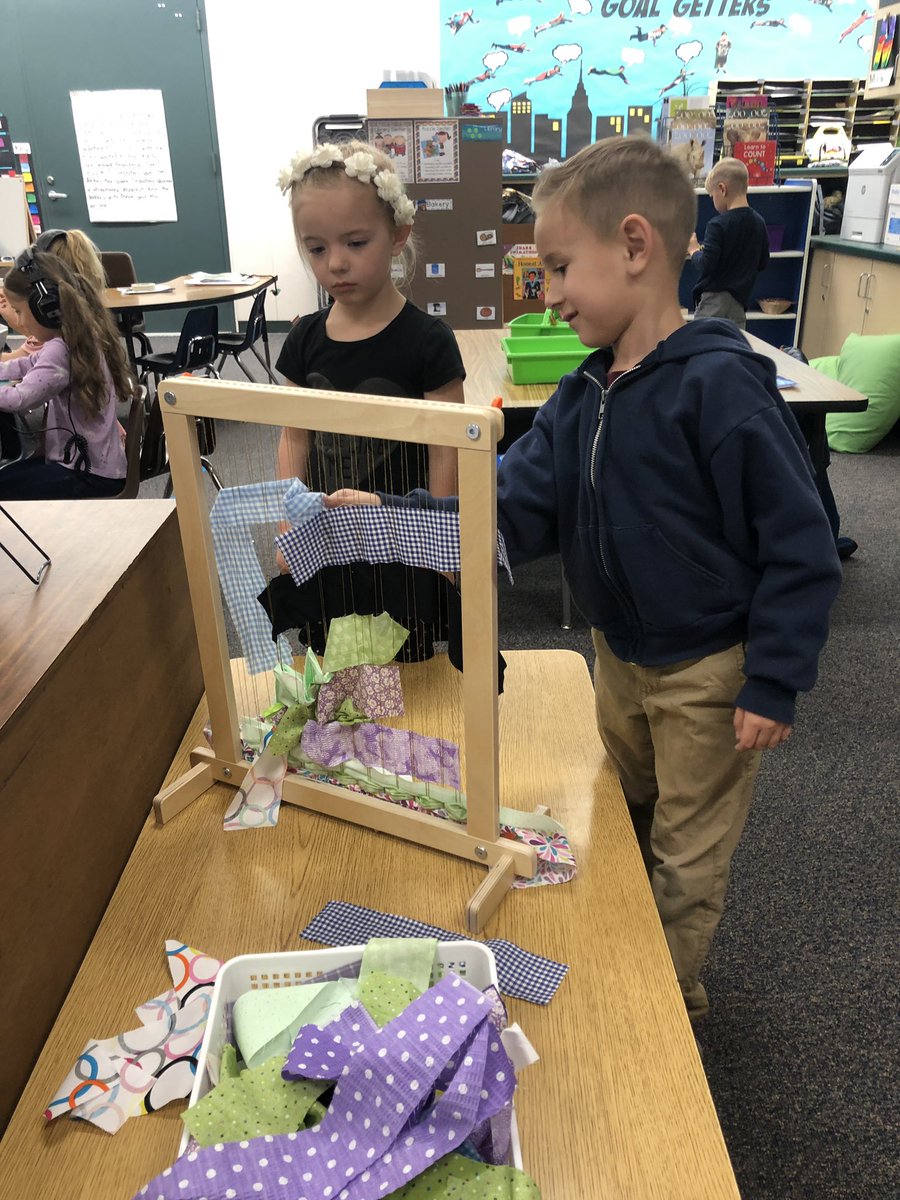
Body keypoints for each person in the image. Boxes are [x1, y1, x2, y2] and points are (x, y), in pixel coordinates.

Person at [328, 137, 842, 1020]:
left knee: (690, 845)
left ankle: (666, 1000)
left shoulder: (722, 389)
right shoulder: (579, 397)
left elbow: (803, 546)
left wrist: (775, 680)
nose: (550, 294)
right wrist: (399, 521)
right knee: (633, 806)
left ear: (636, 247)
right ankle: (638, 931)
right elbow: (510, 511)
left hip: (710, 672)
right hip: (619, 657)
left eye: (560, 268)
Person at [275, 139, 465, 497]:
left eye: (356, 243)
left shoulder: (429, 341)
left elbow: (446, 451)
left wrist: (434, 539)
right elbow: (294, 438)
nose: (335, 264)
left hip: (403, 539)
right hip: (327, 535)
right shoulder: (303, 340)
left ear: (397, 235)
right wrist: (290, 527)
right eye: (316, 248)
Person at [0, 249, 132, 498]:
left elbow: (20, 399)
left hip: (87, 474)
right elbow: (27, 364)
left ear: (44, 308)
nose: (18, 321)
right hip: (98, 467)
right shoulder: (78, 337)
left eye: (18, 312)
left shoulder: (61, 349)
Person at [0, 228, 106, 361]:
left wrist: (15, 321)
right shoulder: (91, 324)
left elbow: (15, 360)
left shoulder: (58, 345)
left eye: (19, 311)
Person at [688, 156, 770, 328]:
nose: (713, 202)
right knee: (731, 349)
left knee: (703, 348)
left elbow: (706, 264)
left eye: (712, 196)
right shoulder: (759, 222)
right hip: (739, 304)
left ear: (722, 189)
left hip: (712, 305)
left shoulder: (717, 224)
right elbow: (762, 263)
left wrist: (694, 250)